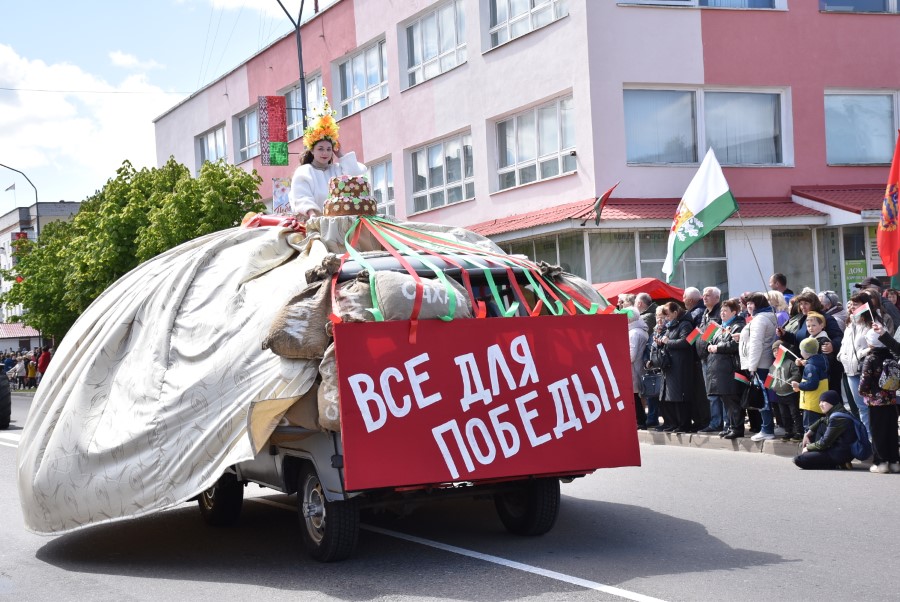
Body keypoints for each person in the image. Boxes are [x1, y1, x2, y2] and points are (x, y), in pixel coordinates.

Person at [289, 90, 367, 220]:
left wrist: (341, 154)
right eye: (320, 149)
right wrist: (313, 216)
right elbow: (301, 197)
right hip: (314, 223)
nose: (325, 153)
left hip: (341, 222)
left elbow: (357, 176)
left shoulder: (337, 170)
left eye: (329, 149)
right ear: (312, 150)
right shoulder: (304, 171)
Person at [738, 293, 778, 440]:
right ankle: (767, 427)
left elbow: (756, 344)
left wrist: (752, 367)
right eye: (747, 303)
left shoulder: (760, 319)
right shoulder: (765, 317)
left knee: (762, 397)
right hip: (763, 363)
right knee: (764, 397)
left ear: (759, 304)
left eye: (752, 303)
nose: (749, 306)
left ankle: (767, 429)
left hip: (760, 364)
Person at [703, 298, 745, 437]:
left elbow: (735, 345)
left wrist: (717, 347)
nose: (722, 313)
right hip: (718, 369)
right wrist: (709, 345)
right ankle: (730, 426)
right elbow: (708, 342)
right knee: (725, 400)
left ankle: (737, 428)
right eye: (721, 310)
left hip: (730, 369)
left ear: (734, 312)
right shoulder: (719, 327)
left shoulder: (738, 326)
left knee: (733, 400)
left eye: (725, 311)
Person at [837, 292, 874, 436]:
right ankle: (865, 438)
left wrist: (860, 354)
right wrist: (842, 356)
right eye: (851, 304)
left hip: (865, 369)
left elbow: (875, 345)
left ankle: (871, 439)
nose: (852, 307)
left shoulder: (871, 323)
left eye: (856, 304)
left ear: (864, 305)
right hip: (850, 370)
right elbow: (844, 344)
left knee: (868, 407)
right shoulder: (850, 323)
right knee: (859, 407)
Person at [866, 322, 900, 473]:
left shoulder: (871, 358)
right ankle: (893, 461)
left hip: (877, 400)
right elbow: (898, 349)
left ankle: (883, 462)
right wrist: (883, 334)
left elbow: (864, 382)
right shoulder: (889, 355)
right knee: (891, 430)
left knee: (879, 431)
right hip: (890, 398)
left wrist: (864, 393)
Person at [656, 302, 695, 433]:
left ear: (675, 312)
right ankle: (674, 423)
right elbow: (667, 340)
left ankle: (684, 424)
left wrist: (668, 342)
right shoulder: (671, 325)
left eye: (668, 315)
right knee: (670, 396)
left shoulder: (685, 324)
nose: (666, 318)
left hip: (681, 365)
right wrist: (660, 343)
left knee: (680, 396)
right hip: (670, 365)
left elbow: (686, 342)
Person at [792, 390, 856, 470]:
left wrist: (808, 447)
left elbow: (824, 443)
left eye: (823, 402)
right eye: (820, 402)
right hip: (836, 449)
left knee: (799, 459)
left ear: (832, 402)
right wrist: (807, 433)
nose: (820, 404)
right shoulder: (837, 412)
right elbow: (822, 420)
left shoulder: (838, 418)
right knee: (820, 425)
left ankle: (837, 464)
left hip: (841, 453)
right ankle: (834, 462)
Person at [696, 287, 723, 433]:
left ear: (717, 298)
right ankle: (715, 422)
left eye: (708, 295)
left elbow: (716, 333)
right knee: (710, 393)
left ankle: (718, 423)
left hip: (715, 358)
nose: (704, 298)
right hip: (704, 357)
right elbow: (701, 332)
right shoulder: (705, 313)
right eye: (703, 295)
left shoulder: (719, 313)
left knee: (717, 393)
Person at [792, 337, 829, 430]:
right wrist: (807, 363)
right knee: (820, 428)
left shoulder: (810, 366)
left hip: (811, 404)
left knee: (810, 428)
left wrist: (799, 385)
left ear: (804, 352)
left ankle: (809, 440)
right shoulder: (822, 360)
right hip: (820, 402)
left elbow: (812, 384)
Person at [623, 307, 649, 430]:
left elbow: (631, 355)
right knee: (637, 396)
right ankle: (641, 420)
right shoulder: (641, 331)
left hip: (634, 369)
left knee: (635, 397)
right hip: (639, 367)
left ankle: (640, 421)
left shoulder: (633, 333)